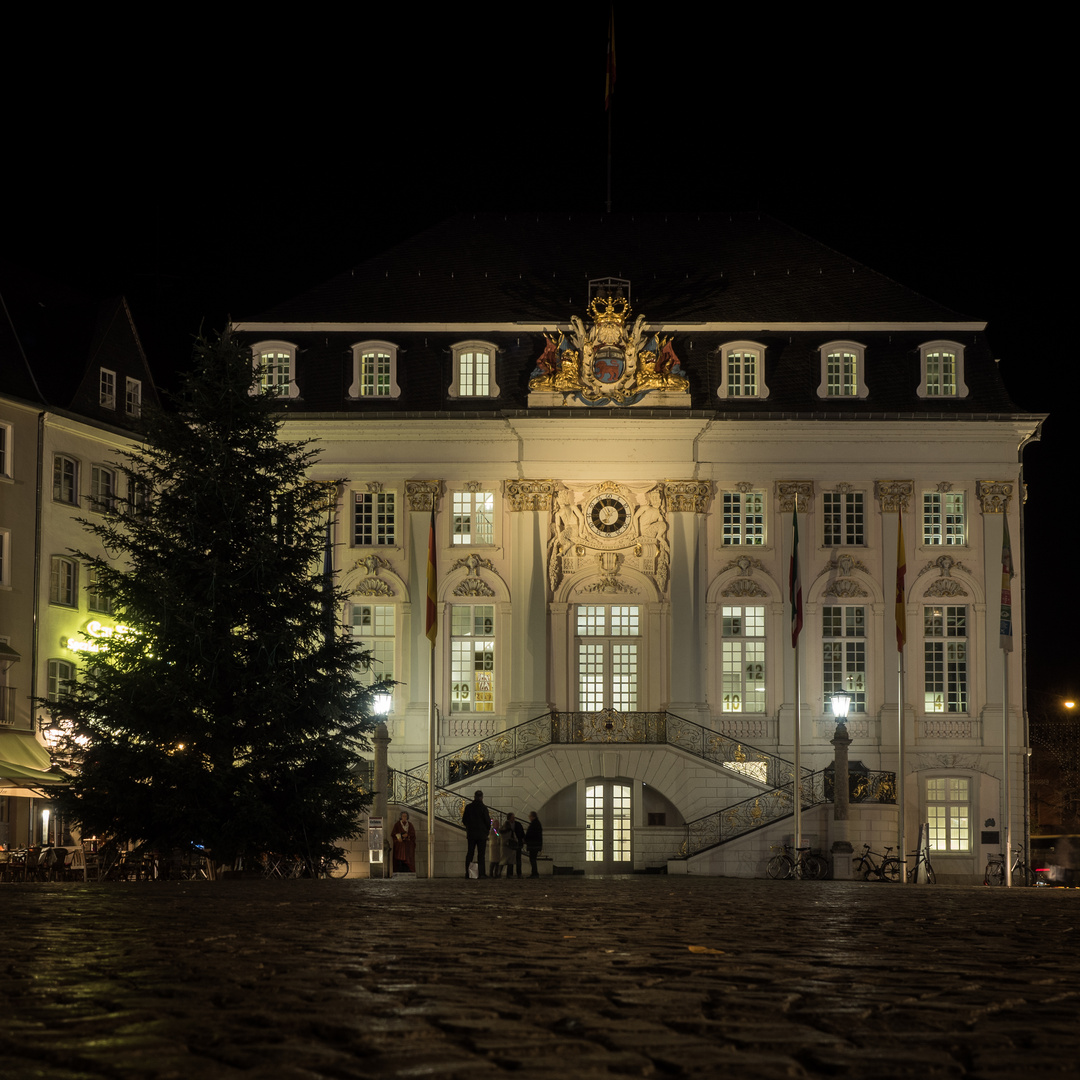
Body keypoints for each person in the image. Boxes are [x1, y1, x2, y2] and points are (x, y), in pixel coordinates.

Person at [462, 790, 491, 878]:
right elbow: (487, 821)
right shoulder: (483, 808)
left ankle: (468, 873)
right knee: (481, 855)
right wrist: (486, 831)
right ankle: (481, 873)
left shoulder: (468, 807)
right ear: (481, 797)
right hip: (481, 835)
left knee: (470, 853)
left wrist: (469, 828)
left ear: (474, 797)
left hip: (471, 834)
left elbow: (464, 820)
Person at [502, 813, 525, 878]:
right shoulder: (506, 825)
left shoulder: (518, 824)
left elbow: (522, 833)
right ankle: (509, 874)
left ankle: (519, 873)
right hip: (510, 845)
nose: (513, 818)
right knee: (510, 860)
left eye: (514, 817)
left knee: (518, 859)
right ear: (509, 818)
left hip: (517, 843)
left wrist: (522, 839)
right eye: (512, 817)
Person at [525, 811, 544, 878]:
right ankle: (534, 873)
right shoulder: (537, 823)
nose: (529, 818)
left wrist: (526, 839)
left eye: (530, 816)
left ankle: (534, 873)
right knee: (533, 859)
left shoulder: (534, 824)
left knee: (532, 859)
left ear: (532, 817)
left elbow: (530, 834)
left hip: (533, 844)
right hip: (536, 844)